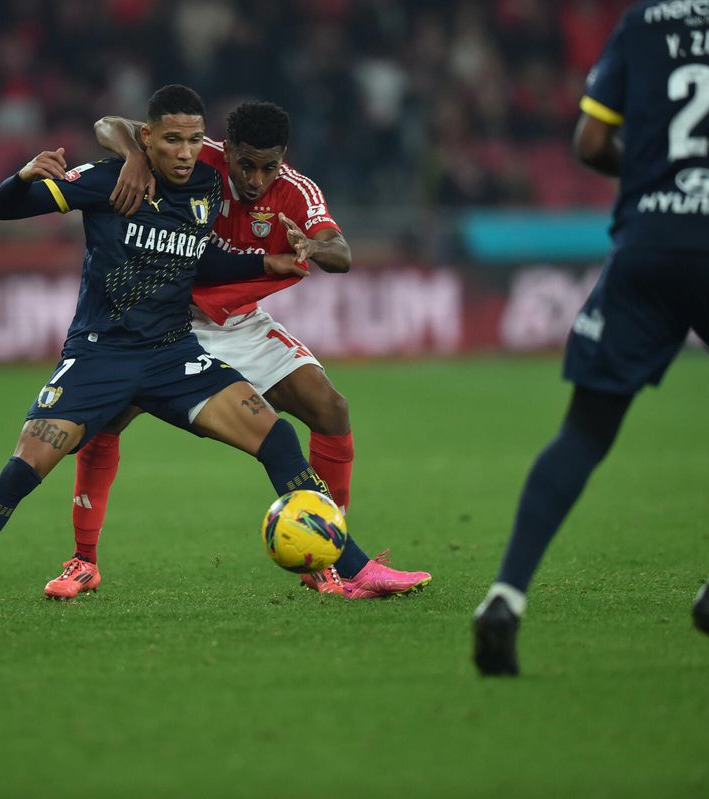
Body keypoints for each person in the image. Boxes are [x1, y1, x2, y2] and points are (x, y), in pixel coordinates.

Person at [0, 85, 320, 611]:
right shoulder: (109, 179)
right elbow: (4, 209)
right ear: (147, 137)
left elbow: (196, 263)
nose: (184, 152)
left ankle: (344, 566)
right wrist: (23, 176)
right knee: (24, 467)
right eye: (172, 140)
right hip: (99, 357)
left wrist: (261, 264)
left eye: (194, 140)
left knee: (278, 436)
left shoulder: (207, 187)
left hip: (171, 354)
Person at [41, 101, 432, 600]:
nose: (254, 178)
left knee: (330, 408)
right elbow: (106, 125)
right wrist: (134, 157)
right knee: (105, 425)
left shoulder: (296, 190)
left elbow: (342, 251)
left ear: (283, 158)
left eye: (268, 166)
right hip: (163, 320)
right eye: (245, 164)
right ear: (227, 150)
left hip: (239, 323)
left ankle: (325, 553)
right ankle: (83, 561)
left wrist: (314, 248)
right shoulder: (194, 155)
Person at [473, 2, 709, 674]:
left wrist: (662, 182)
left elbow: (591, 143)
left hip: (648, 245)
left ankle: (504, 597)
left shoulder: (646, 23)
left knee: (586, 430)